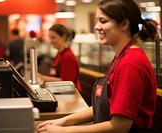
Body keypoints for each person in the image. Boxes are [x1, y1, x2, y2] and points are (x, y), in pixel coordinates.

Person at [35, 0, 157, 133]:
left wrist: (64, 131)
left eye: (103, 21)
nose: (96, 27)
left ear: (124, 24)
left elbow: (119, 126)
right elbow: (103, 107)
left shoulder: (131, 63)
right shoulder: (121, 57)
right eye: (97, 21)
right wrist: (63, 121)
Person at [37, 24, 81, 92]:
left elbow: (66, 82)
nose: (51, 41)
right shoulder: (59, 53)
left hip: (70, 95)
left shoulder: (68, 57)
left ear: (63, 37)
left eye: (53, 38)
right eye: (50, 38)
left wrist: (42, 77)